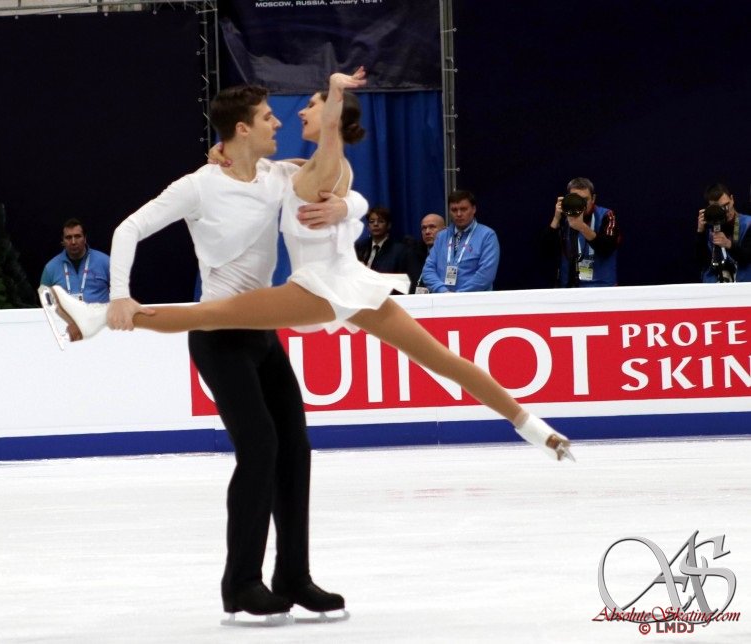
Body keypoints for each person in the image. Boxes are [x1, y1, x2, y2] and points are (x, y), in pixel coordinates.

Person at [50, 68, 572, 460]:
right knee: (441, 360)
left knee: (204, 314)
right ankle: (533, 427)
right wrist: (346, 201)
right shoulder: (297, 171)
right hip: (352, 284)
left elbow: (328, 155)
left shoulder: (318, 164)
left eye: (309, 106)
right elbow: (316, 176)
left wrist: (337, 93)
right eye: (277, 115)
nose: (294, 113)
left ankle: (97, 318)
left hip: (320, 287)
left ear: (329, 121)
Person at [42, 79, 367, 623]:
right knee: (260, 447)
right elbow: (129, 228)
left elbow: (333, 177)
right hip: (218, 338)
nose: (278, 123)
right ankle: (240, 583)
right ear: (241, 129)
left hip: (262, 331)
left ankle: (293, 575)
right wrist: (119, 294)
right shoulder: (198, 186)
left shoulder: (273, 175)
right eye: (267, 117)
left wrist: (345, 209)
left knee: (295, 448)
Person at [541, 177, 621, 287]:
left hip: (602, 287)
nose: (581, 205)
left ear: (593, 198)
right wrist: (556, 219)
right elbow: (545, 251)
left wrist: (582, 227)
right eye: (576, 199)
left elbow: (607, 247)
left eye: (584, 200)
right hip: (569, 289)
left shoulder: (607, 215)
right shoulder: (563, 217)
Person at [40, 219, 111, 341]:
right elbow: (44, 300)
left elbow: (121, 293)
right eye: (68, 237)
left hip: (102, 330)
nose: (73, 242)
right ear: (62, 241)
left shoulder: (105, 262)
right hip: (66, 329)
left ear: (85, 238)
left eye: (77, 236)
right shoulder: (51, 268)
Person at [420, 190, 499, 293]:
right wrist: (442, 291)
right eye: (454, 210)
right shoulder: (441, 236)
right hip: (443, 299)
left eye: (463, 209)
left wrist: (459, 295)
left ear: (474, 209)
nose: (459, 214)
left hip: (474, 301)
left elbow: (486, 275)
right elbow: (428, 270)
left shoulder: (487, 236)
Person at [695, 182, 751, 283]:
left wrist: (728, 244)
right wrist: (700, 232)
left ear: (732, 199)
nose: (726, 210)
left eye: (727, 205)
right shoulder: (709, 229)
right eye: (720, 208)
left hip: (743, 287)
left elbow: (747, 256)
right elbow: (701, 262)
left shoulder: (748, 224)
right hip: (714, 288)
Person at [353, 207, 410, 276]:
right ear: (368, 226)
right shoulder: (359, 247)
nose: (375, 224)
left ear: (388, 225)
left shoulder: (399, 250)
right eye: (372, 221)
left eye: (380, 221)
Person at [408, 213, 447, 293]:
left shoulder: (452, 254)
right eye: (424, 228)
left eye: (432, 227)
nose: (427, 232)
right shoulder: (412, 255)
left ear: (444, 230)